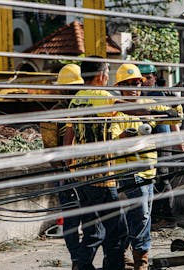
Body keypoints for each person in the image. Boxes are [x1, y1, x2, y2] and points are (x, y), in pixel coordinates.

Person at [63, 58, 127, 270]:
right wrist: (158, 110)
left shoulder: (76, 100)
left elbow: (69, 134)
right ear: (101, 76)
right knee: (118, 231)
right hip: (103, 177)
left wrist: (70, 163)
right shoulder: (103, 97)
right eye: (107, 72)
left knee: (94, 230)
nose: (108, 77)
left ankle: (80, 265)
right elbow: (131, 110)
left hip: (82, 176)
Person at [39, 64, 97, 269]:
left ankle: (82, 261)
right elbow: (50, 152)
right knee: (72, 222)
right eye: (68, 89)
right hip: (68, 176)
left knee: (94, 223)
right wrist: (63, 172)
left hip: (90, 174)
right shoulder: (53, 116)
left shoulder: (88, 107)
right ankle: (78, 261)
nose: (71, 93)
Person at [113, 64, 158, 270]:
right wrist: (125, 135)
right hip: (130, 172)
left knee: (143, 216)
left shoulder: (148, 103)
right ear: (120, 87)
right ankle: (140, 261)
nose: (133, 88)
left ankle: (127, 254)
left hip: (149, 170)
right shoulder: (116, 109)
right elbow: (112, 140)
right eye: (128, 84)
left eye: (137, 83)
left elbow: (171, 116)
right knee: (140, 216)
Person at [138, 61, 184, 226]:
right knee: (148, 179)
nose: (145, 81)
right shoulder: (136, 94)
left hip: (162, 141)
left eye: (148, 77)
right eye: (142, 78)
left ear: (155, 77)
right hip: (144, 144)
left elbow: (173, 118)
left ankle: (168, 217)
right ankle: (154, 217)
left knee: (162, 178)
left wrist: (180, 141)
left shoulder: (161, 94)